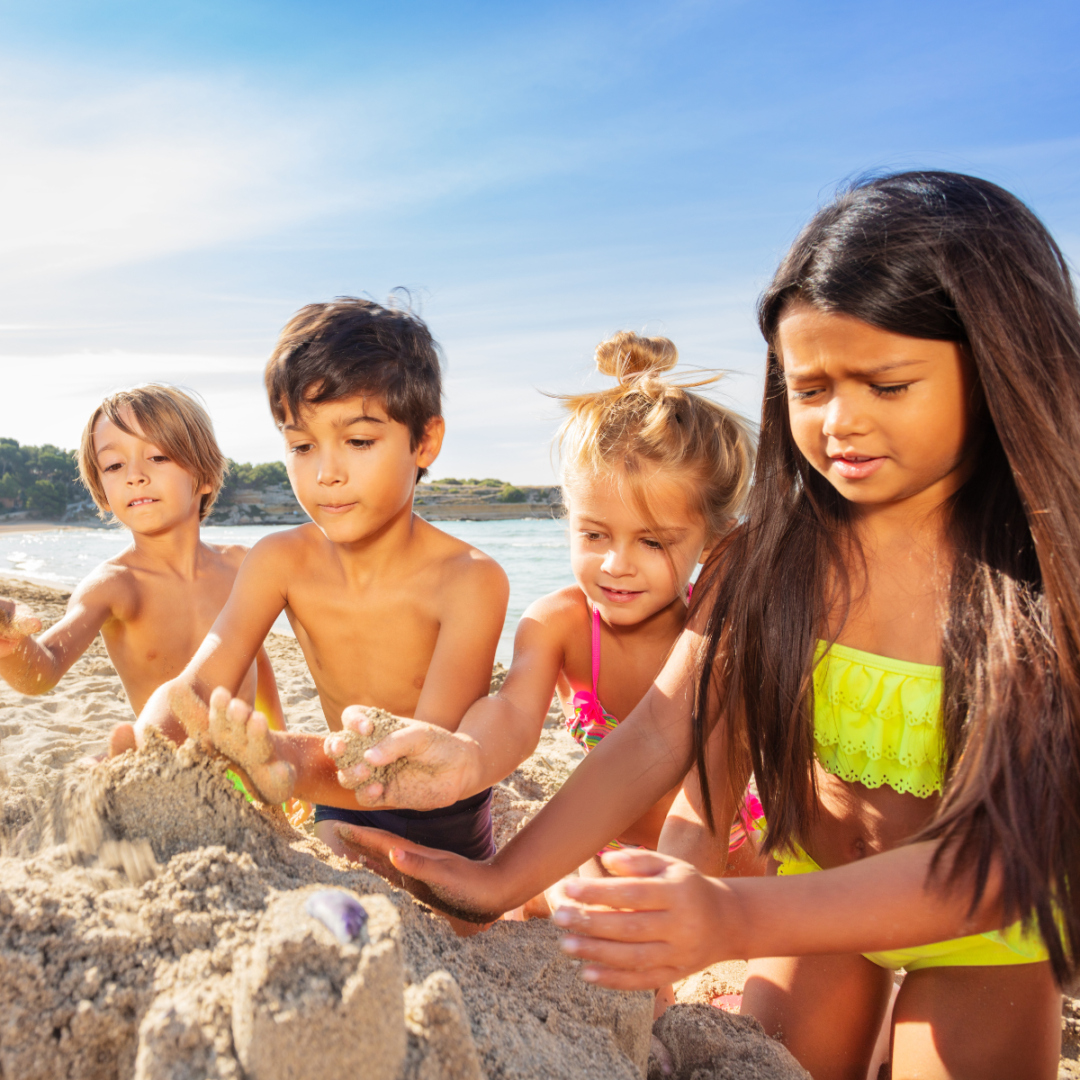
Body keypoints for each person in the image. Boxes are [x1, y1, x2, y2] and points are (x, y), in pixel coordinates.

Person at [335, 173, 1080, 1080]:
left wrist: (729, 917)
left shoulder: (1037, 586)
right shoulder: (774, 559)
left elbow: (998, 862)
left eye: (886, 384)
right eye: (810, 388)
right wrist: (498, 882)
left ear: (1000, 363)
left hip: (976, 933)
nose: (840, 421)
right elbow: (658, 732)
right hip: (812, 909)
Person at [318, 330, 757, 917]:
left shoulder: (720, 628)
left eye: (651, 541)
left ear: (712, 537)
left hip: (725, 849)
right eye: (594, 534)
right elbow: (513, 715)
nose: (615, 565)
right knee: (534, 906)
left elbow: (705, 807)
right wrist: (467, 754)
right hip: (597, 840)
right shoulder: (560, 622)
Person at [121, 298, 509, 874]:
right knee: (323, 876)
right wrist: (145, 750)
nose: (326, 472)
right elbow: (196, 688)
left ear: (424, 442)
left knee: (436, 902)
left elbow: (422, 767)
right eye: (302, 446)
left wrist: (281, 759)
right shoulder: (279, 559)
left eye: (358, 441)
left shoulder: (471, 580)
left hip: (436, 809)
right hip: (333, 785)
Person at [0, 384, 286, 754]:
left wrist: (278, 743)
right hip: (170, 778)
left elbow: (256, 662)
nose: (134, 475)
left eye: (158, 457)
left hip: (251, 777)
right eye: (114, 465)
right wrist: (11, 647)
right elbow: (46, 668)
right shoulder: (113, 586)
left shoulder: (243, 565)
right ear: (102, 491)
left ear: (205, 476)